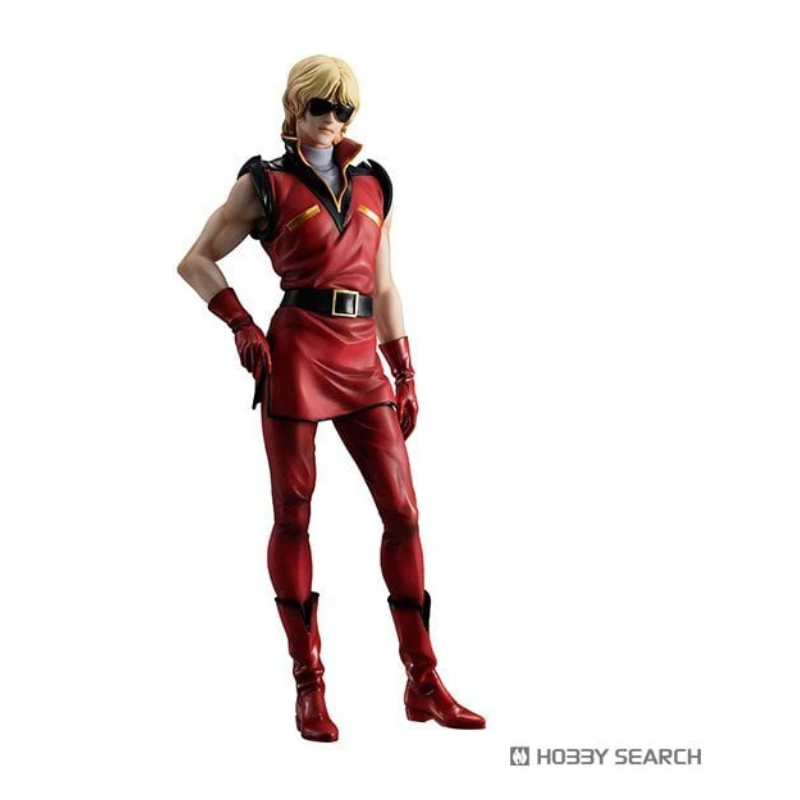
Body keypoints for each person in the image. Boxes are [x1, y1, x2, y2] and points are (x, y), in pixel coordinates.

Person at [177, 55, 485, 742]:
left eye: (343, 109)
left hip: (361, 356)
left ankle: (423, 680)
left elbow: (385, 285)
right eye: (320, 106)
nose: (332, 119)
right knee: (293, 514)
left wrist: (405, 370)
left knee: (403, 512)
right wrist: (240, 323)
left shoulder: (374, 182)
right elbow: (195, 259)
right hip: (297, 353)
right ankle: (309, 685)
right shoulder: (265, 183)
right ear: (296, 107)